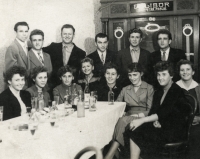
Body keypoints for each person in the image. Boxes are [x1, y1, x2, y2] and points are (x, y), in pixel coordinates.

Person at [123, 61, 189, 159]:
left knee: (139, 133)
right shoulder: (159, 91)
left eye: (163, 74)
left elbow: (165, 112)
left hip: (175, 130)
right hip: (161, 125)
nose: (160, 77)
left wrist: (141, 120)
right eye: (158, 74)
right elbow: (154, 111)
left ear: (171, 75)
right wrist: (157, 120)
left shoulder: (176, 90)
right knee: (132, 131)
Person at [104, 63, 154, 159]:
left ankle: (110, 155)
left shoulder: (149, 88)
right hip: (128, 116)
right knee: (120, 121)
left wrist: (139, 115)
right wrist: (119, 111)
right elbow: (117, 105)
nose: (132, 78)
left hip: (143, 118)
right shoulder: (125, 89)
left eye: (135, 75)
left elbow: (150, 109)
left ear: (141, 74)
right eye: (130, 75)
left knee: (122, 121)